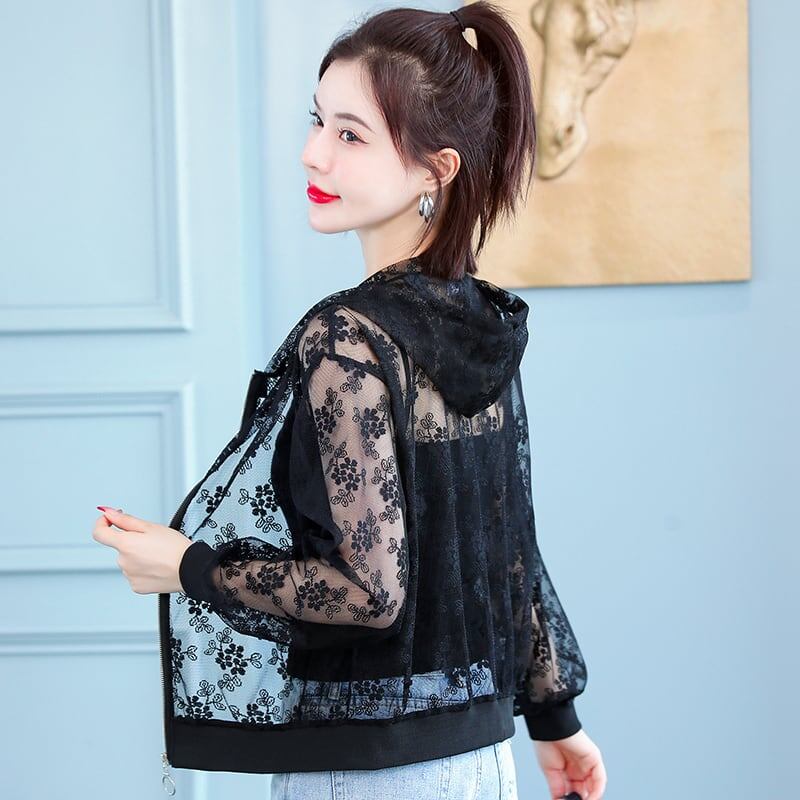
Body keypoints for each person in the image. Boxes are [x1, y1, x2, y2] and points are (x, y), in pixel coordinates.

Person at [92, 3, 607, 799]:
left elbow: (369, 592)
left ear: (436, 170)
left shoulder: (349, 338)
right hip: (480, 762)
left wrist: (187, 566)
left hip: (368, 773)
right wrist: (556, 721)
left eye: (351, 135)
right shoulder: (479, 322)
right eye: (318, 121)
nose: (313, 153)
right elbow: (508, 550)